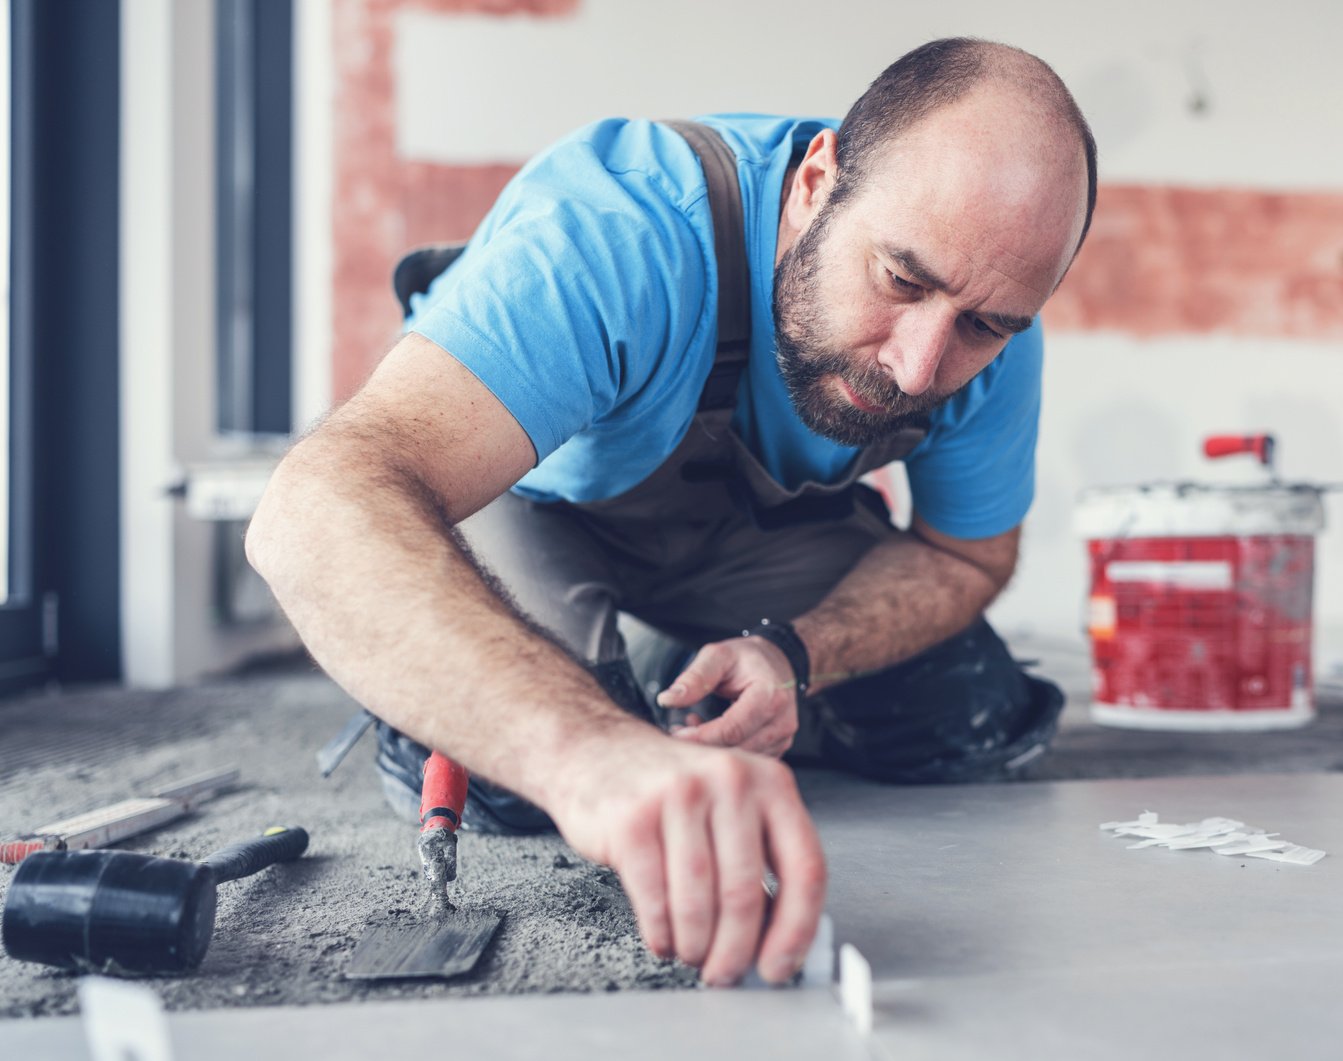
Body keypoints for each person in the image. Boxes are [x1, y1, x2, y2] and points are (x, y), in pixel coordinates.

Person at [246, 37, 1097, 988]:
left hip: (737, 542)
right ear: (816, 183)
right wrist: (590, 754)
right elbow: (312, 504)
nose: (916, 366)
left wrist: (794, 652)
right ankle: (560, 688)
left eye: (982, 325)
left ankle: (651, 669)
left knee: (962, 711)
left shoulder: (994, 321)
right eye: (900, 280)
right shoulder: (615, 234)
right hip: (531, 511)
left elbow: (963, 557)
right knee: (522, 780)